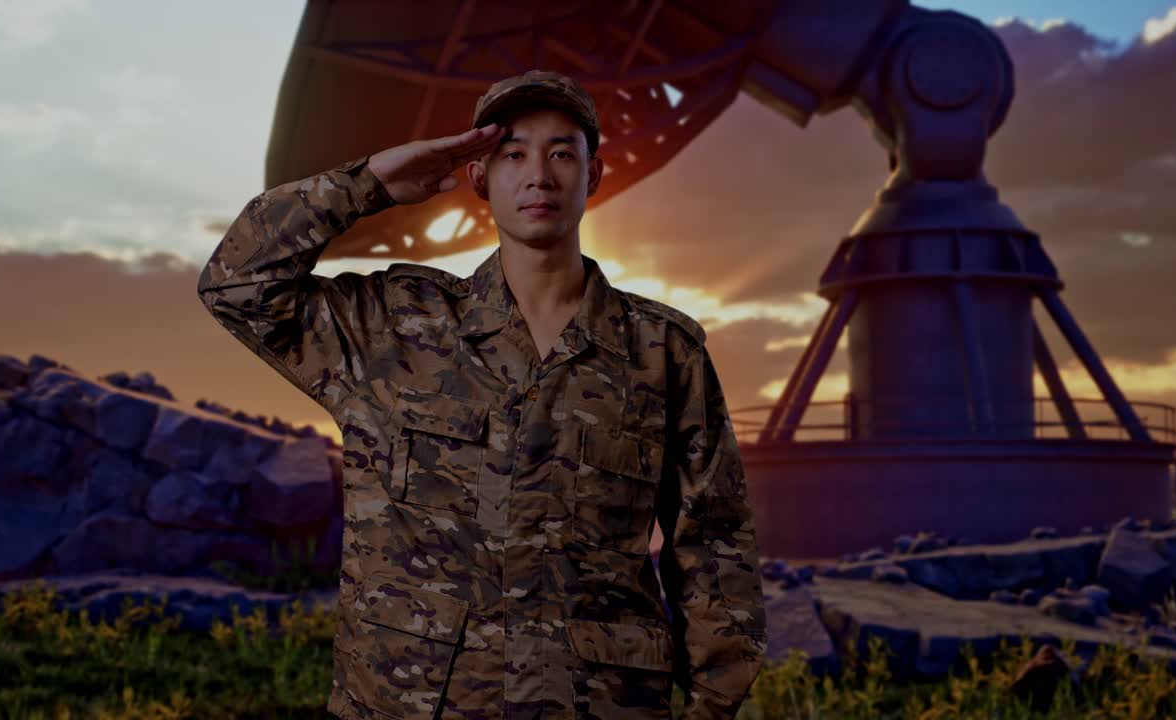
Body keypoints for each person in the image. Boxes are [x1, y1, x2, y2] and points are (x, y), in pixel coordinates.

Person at [197, 69, 768, 720]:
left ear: (596, 175)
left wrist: (710, 708)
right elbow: (236, 285)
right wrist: (372, 183)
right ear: (477, 176)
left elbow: (714, 548)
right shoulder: (393, 328)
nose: (538, 175)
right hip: (404, 702)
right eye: (512, 153)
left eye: (561, 152)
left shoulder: (664, 354)